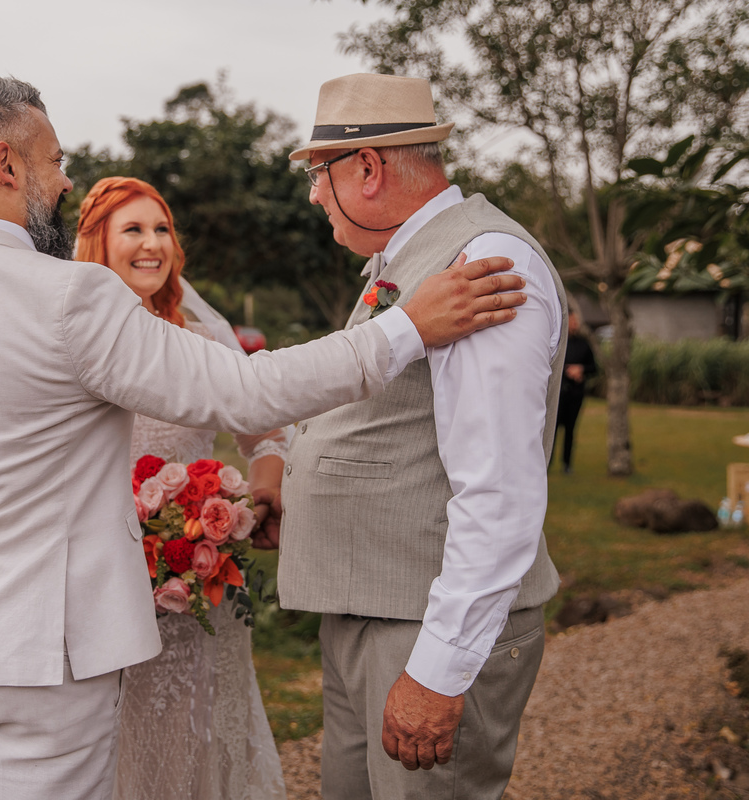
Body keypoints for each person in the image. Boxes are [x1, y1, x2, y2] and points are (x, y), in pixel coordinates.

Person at [0, 75, 527, 800]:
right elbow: (249, 390)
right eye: (53, 161)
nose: (65, 180)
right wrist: (406, 327)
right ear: (5, 164)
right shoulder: (71, 297)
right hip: (49, 653)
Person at [277, 73, 567, 800]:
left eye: (319, 173)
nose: (314, 194)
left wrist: (441, 668)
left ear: (367, 168)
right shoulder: (414, 253)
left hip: (423, 623)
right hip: (375, 610)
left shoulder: (482, 264)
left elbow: (498, 489)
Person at [76, 176, 287, 800]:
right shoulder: (76, 346)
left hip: (195, 581)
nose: (152, 244)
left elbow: (267, 433)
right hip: (96, 580)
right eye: (133, 230)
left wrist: (257, 497)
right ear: (97, 244)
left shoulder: (199, 342)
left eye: (161, 229)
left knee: (191, 729)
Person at [555, 311, 597, 474]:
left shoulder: (583, 344)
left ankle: (566, 464)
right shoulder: (558, 342)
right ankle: (547, 462)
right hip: (559, 393)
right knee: (553, 427)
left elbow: (594, 367)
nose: (575, 324)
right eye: (572, 321)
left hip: (576, 394)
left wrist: (581, 369)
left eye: (576, 321)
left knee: (570, 430)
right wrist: (567, 370)